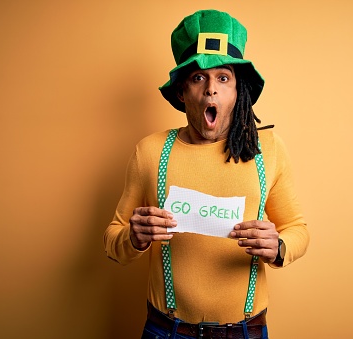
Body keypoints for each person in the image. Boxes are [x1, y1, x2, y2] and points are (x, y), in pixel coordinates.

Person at [104, 9, 309, 339]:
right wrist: (134, 237)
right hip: (166, 330)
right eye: (198, 77)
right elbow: (113, 242)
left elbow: (298, 228)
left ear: (238, 91)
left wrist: (279, 246)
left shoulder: (268, 149)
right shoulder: (151, 152)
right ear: (182, 92)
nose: (211, 89)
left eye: (223, 78)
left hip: (246, 331)